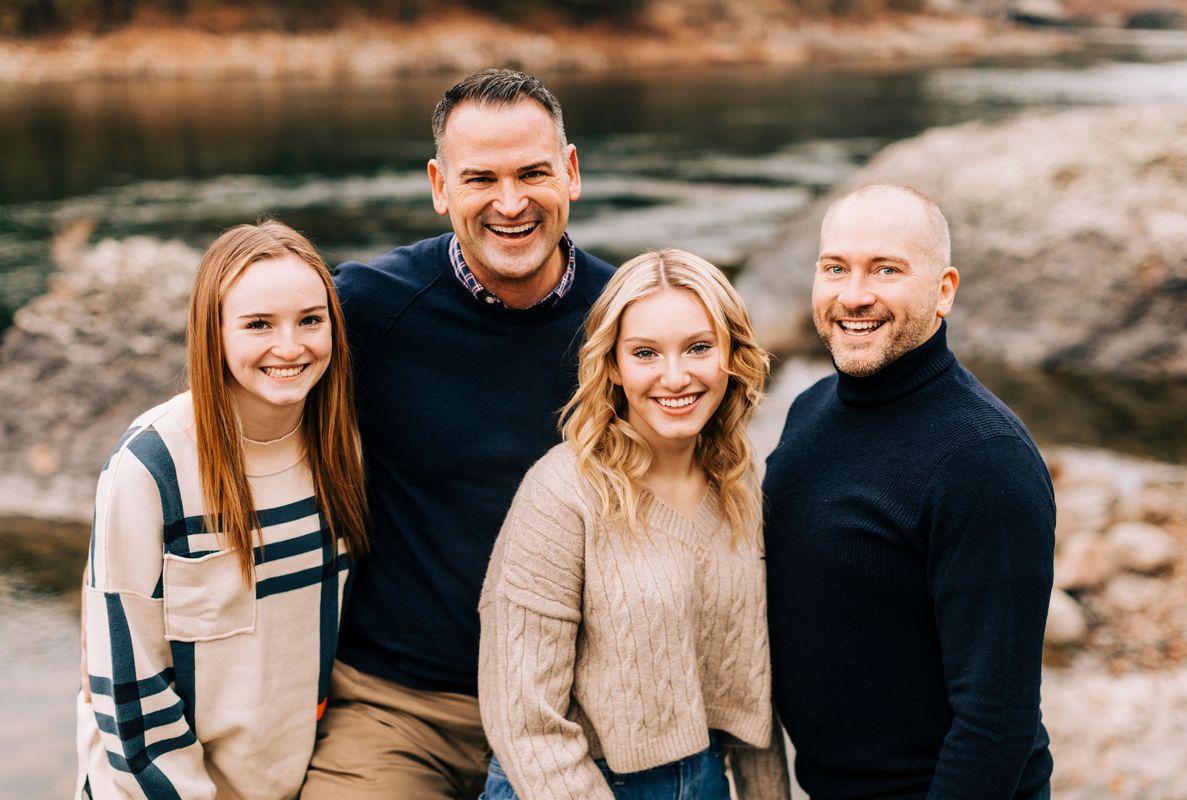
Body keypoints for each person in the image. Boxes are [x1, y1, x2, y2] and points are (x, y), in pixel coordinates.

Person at [300, 69, 615, 798]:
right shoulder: (367, 309)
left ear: (570, 173)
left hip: (574, 706)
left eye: (533, 173)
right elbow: (243, 395)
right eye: (481, 179)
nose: (511, 202)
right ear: (441, 187)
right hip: (400, 705)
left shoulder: (627, 319)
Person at [763, 183, 1055, 799]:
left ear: (944, 290)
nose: (853, 295)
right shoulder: (809, 410)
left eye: (886, 270)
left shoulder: (984, 459)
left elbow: (996, 721)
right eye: (835, 268)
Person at [477, 249, 790, 800]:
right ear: (614, 366)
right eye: (645, 352)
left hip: (705, 780)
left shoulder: (739, 481)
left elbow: (749, 696)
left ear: (731, 355)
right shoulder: (561, 494)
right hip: (569, 784)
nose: (676, 376)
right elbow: (525, 722)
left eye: (699, 347)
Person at [75, 220, 370, 799]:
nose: (291, 346)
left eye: (311, 320)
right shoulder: (153, 465)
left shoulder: (343, 448)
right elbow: (130, 694)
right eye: (259, 324)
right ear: (213, 332)